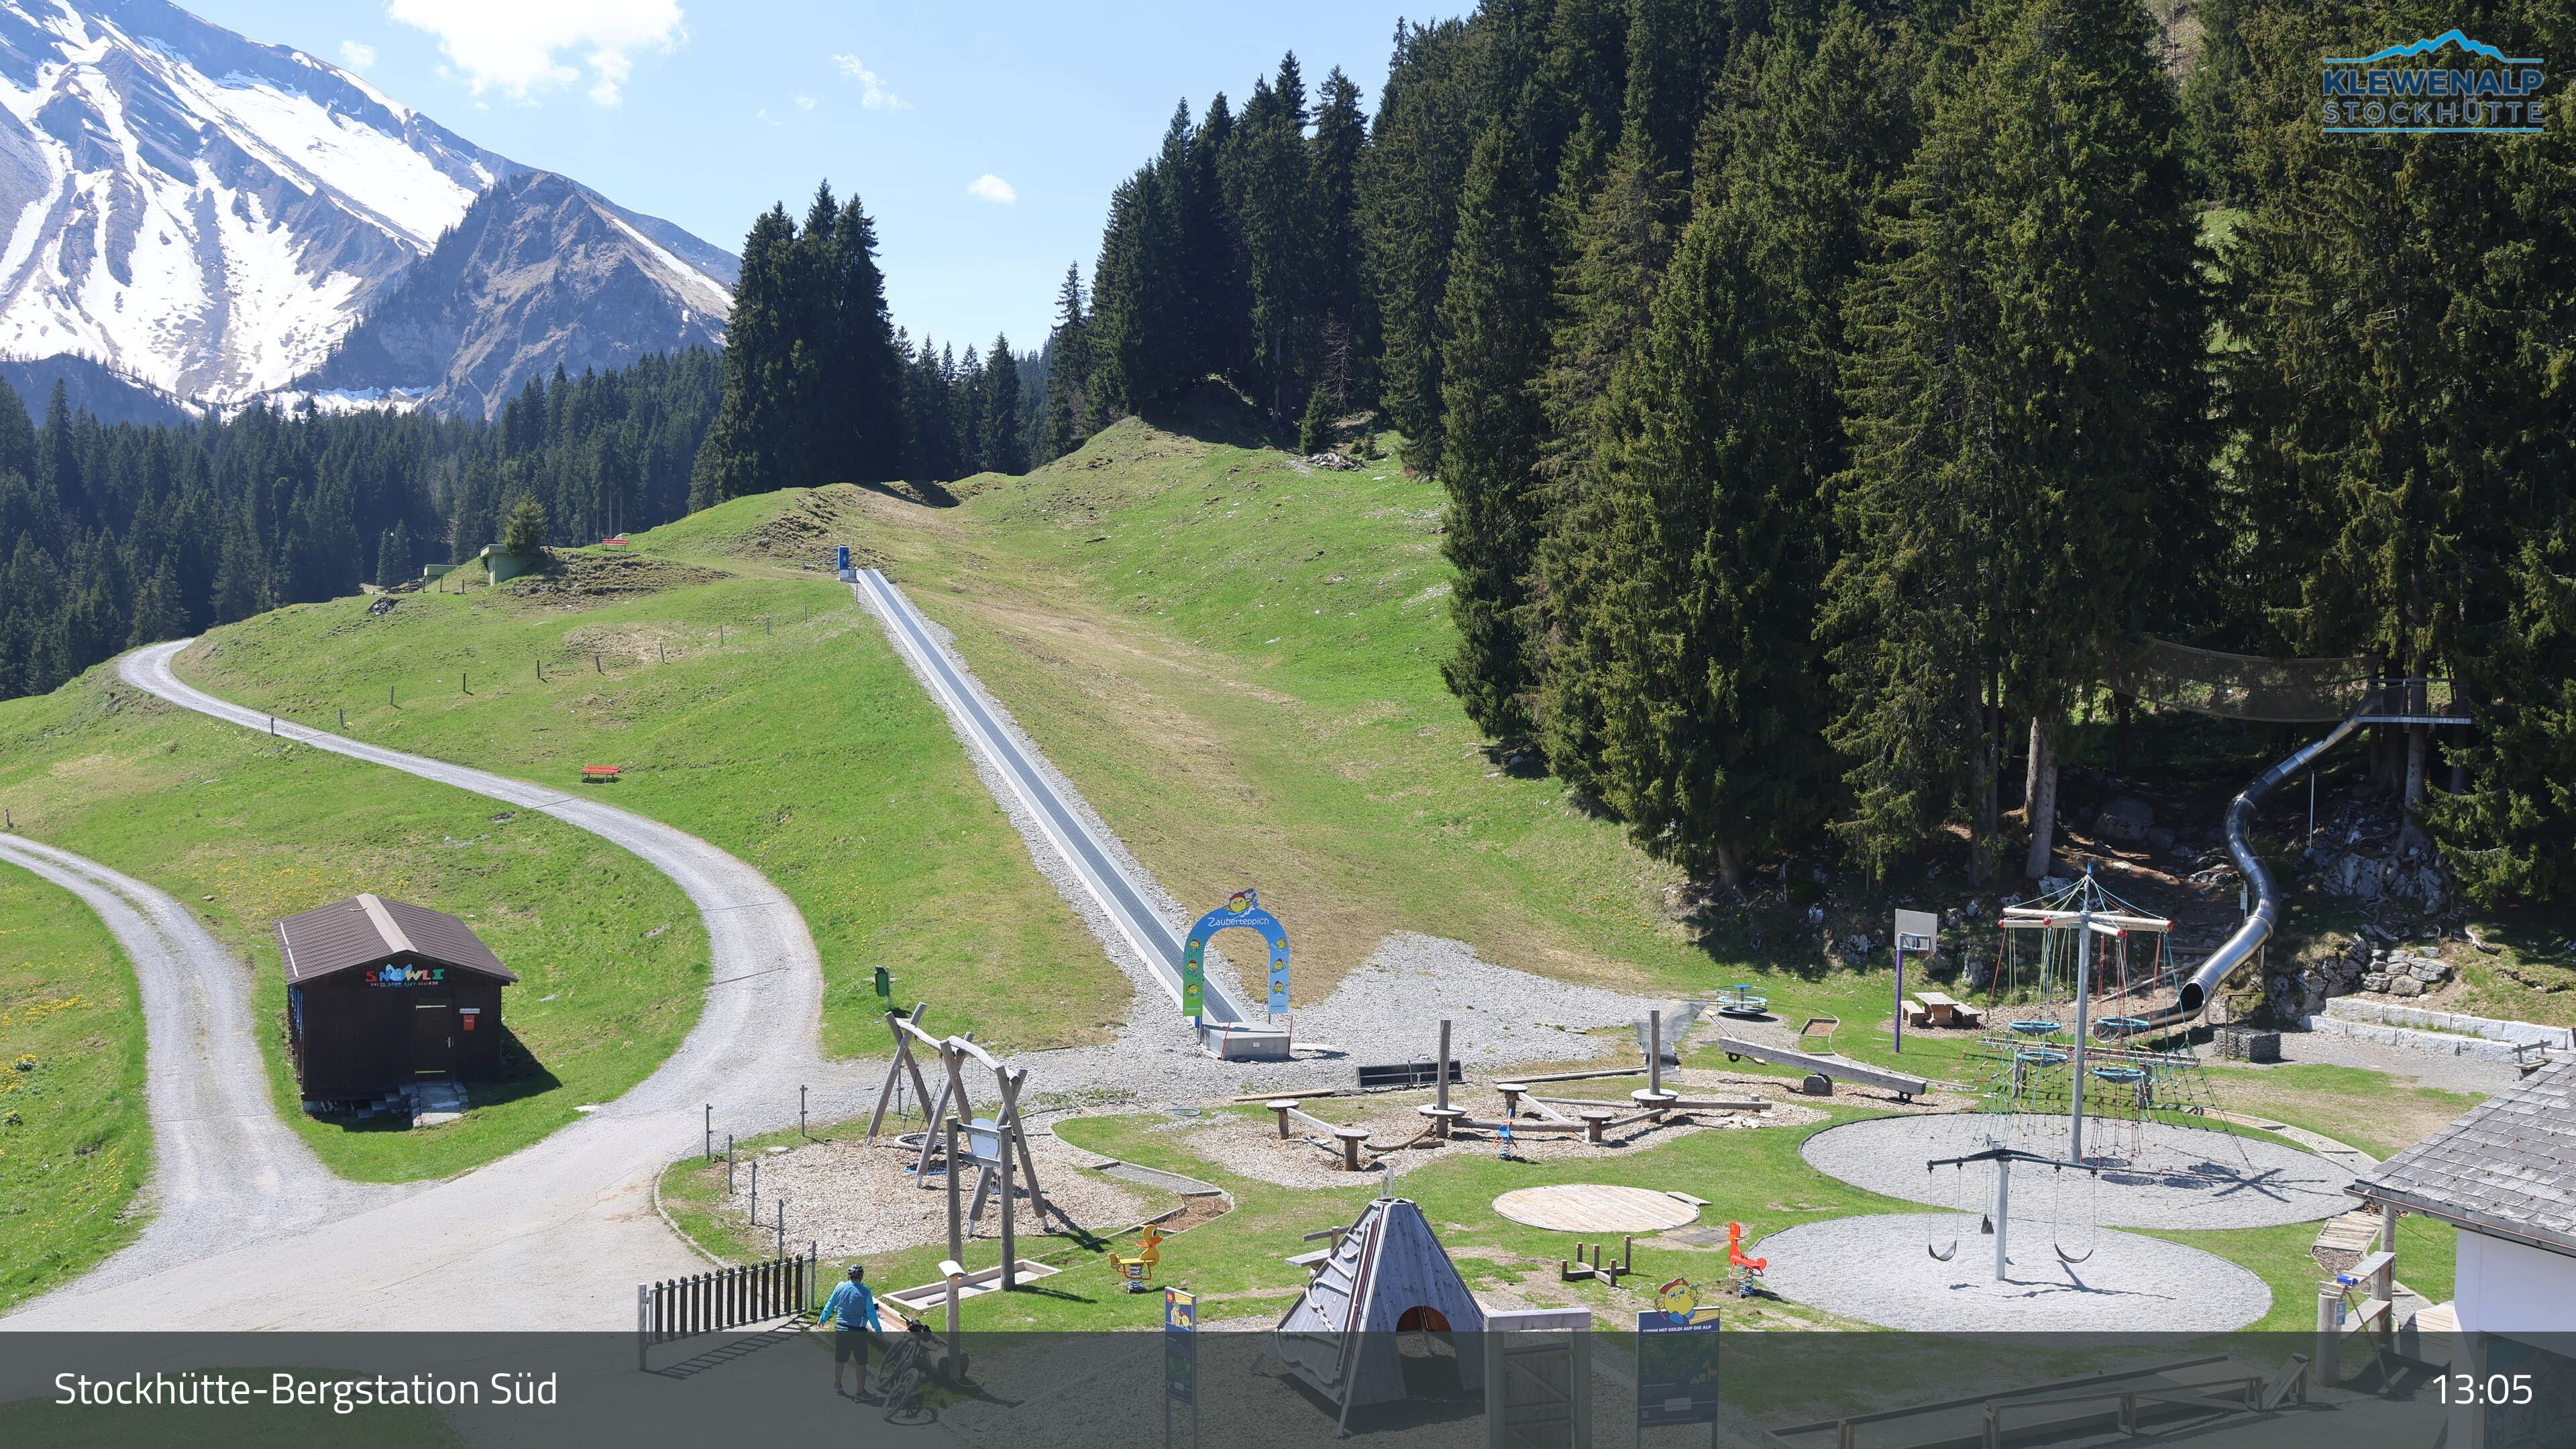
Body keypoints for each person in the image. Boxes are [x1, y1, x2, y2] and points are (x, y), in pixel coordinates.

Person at [816, 1263, 881, 1398]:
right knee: (861, 1363)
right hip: (858, 1331)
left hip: (841, 1329)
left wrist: (823, 1319)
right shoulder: (866, 1292)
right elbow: (870, 1312)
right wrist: (877, 1328)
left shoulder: (840, 1287)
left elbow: (830, 1304)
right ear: (861, 1277)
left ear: (848, 1276)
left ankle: (838, 1386)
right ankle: (860, 1392)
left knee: (840, 1360)